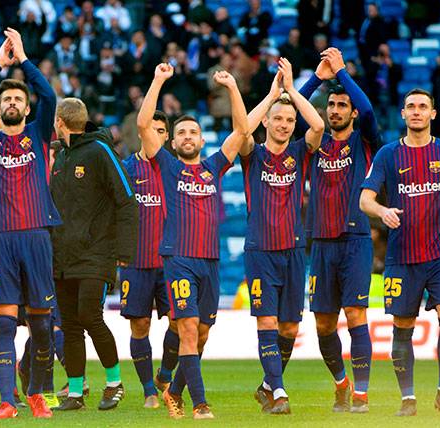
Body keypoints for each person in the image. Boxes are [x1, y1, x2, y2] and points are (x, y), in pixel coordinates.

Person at [360, 88, 440, 417]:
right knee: (403, 325)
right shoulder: (388, 155)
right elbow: (364, 199)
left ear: (433, 114)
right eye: (411, 106)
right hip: (401, 256)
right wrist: (382, 211)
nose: (416, 111)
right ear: (403, 113)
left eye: (422, 106)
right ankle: (408, 398)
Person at [141, 63, 249, 419]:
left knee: (201, 335)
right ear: (172, 143)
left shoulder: (214, 167)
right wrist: (158, 80)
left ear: (202, 141)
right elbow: (143, 124)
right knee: (187, 329)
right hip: (179, 259)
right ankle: (200, 404)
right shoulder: (168, 166)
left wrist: (232, 87)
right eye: (181, 133)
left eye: (193, 132)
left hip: (210, 262)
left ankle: (173, 390)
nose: (187, 136)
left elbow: (242, 130)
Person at [0, 29, 59, 419]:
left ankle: (35, 392)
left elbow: (49, 96)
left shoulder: (39, 133)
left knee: (41, 324)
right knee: (3, 322)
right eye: (7, 99)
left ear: (26, 107)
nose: (13, 103)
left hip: (37, 236)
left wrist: (23, 60)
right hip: (0, 238)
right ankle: (7, 401)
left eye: (19, 98)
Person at [297, 48, 380, 413]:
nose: (334, 110)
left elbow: (371, 112)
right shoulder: (314, 142)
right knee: (324, 323)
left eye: (342, 105)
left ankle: (361, 393)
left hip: (356, 240)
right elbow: (291, 110)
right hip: (321, 242)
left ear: (352, 112)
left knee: (356, 315)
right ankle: (341, 384)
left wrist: (342, 72)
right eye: (331, 104)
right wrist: (317, 77)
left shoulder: (364, 141)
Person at [242, 58, 324, 415]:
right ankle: (278, 392)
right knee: (267, 321)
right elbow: (242, 130)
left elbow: (318, 125)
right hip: (260, 250)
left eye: (290, 120)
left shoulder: (299, 153)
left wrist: (291, 91)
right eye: (278, 118)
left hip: (293, 250)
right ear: (266, 121)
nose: (285, 125)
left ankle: (267, 384)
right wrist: (272, 96)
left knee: (289, 327)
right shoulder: (252, 154)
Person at [48, 97, 138, 411]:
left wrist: (124, 250)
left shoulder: (100, 151)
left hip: (96, 253)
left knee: (89, 316)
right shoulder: (61, 158)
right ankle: (75, 392)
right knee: (70, 325)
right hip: (62, 256)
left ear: (59, 121)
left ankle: (114, 383)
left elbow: (127, 200)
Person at [119, 108, 181, 409]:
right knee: (140, 324)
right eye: (149, 130)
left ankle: (165, 374)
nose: (153, 136)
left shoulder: (176, 170)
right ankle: (148, 391)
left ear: (166, 137)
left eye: (160, 131)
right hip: (136, 261)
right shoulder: (126, 169)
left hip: (171, 262)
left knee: (179, 323)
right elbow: (114, 211)